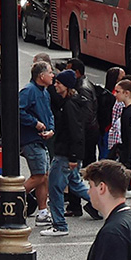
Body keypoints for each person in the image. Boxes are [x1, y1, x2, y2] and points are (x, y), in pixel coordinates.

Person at [19, 58, 62, 231]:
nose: (53, 75)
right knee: (39, 176)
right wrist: (35, 123)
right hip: (31, 139)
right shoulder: (28, 91)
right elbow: (18, 111)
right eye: (50, 72)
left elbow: (49, 114)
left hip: (40, 138)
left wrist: (50, 129)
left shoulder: (44, 91)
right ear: (41, 75)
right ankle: (12, 199)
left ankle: (43, 212)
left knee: (43, 175)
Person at [51, 69, 92, 228]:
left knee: (55, 187)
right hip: (70, 153)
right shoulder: (73, 102)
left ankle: (59, 225)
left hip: (66, 154)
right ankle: (104, 205)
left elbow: (75, 131)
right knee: (76, 184)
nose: (55, 85)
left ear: (66, 86)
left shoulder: (69, 105)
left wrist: (73, 157)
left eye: (58, 83)